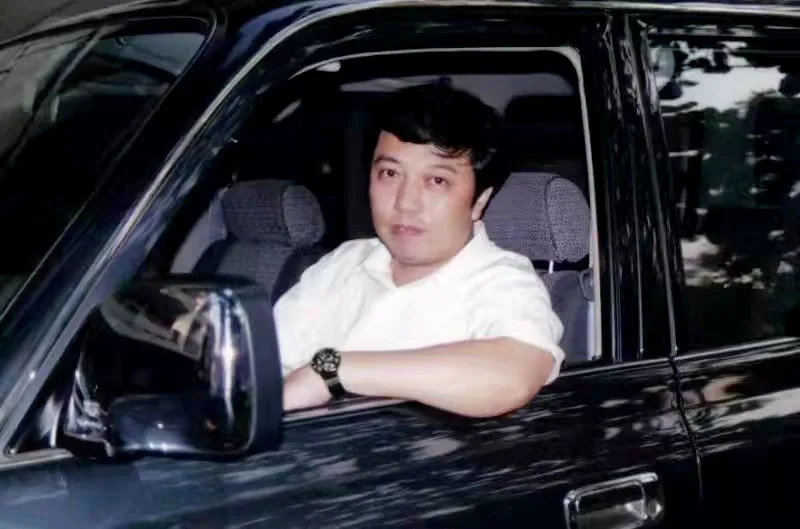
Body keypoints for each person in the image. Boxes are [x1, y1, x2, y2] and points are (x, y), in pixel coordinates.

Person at [276, 81, 564, 418]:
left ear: (479, 201)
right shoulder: (345, 263)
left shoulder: (503, 282)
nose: (405, 202)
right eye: (390, 173)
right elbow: (265, 364)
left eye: (436, 180)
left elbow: (512, 375)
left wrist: (331, 371)